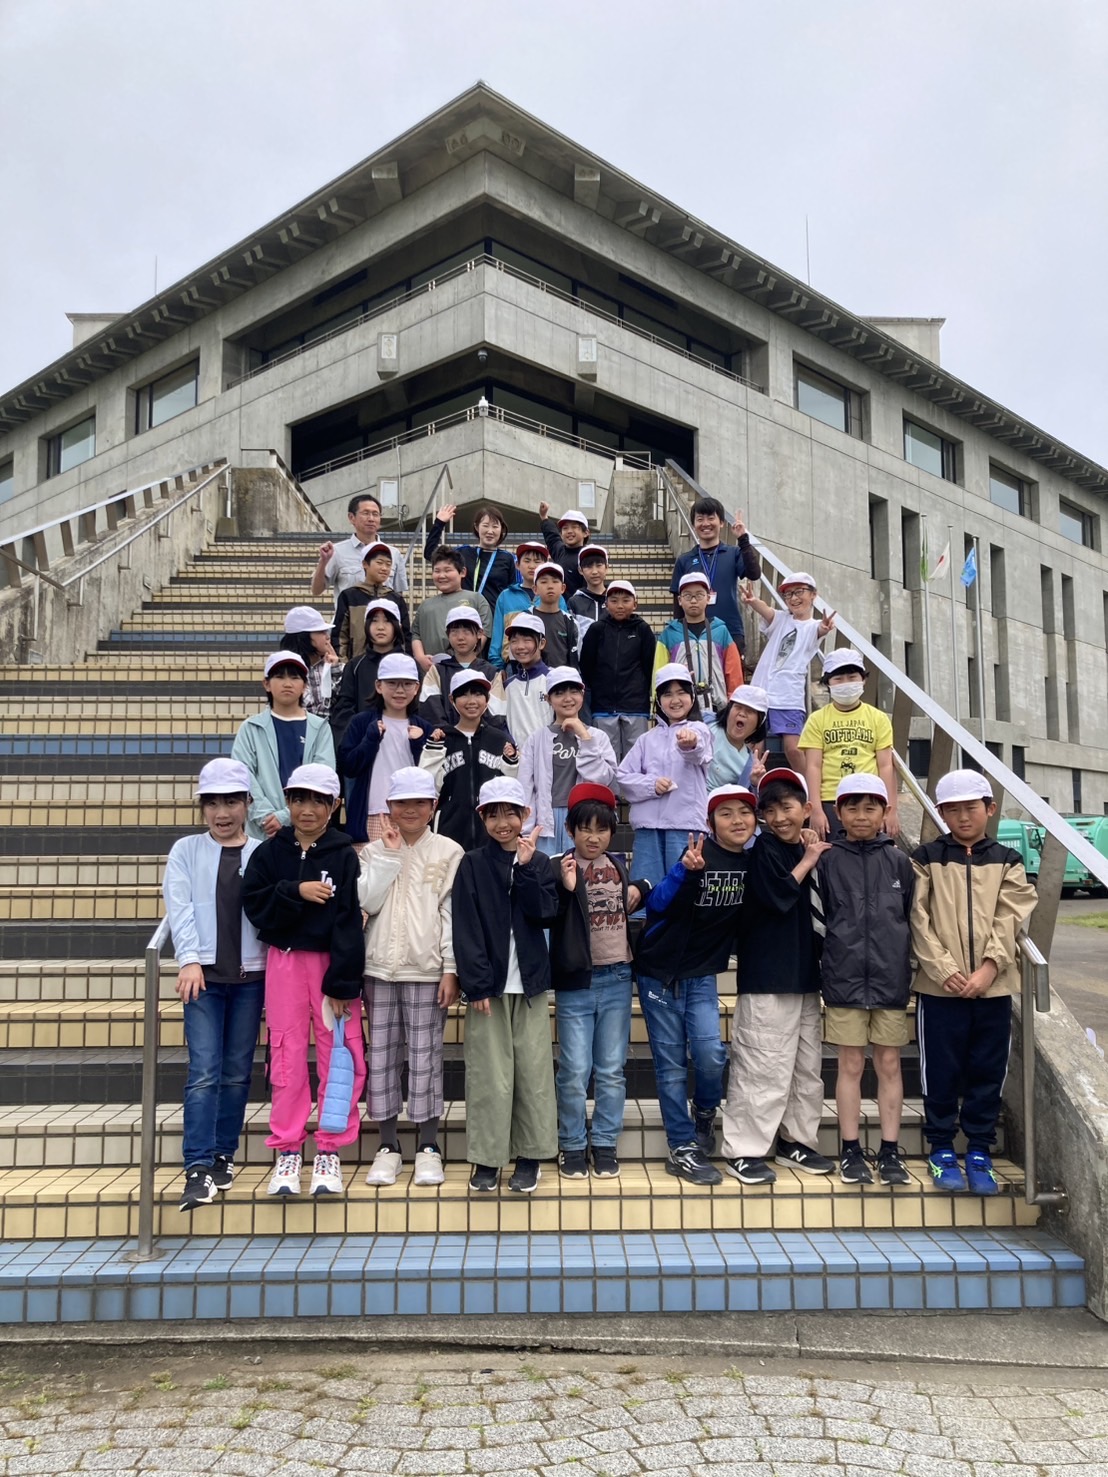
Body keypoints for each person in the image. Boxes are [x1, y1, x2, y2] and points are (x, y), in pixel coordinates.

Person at [241, 763, 366, 1198]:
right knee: (285, 1052)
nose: (307, 809)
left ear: (335, 805)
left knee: (341, 1053)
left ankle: (329, 1148)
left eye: (318, 801)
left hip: (331, 965)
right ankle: (289, 1149)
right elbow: (254, 904)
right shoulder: (269, 852)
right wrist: (295, 891)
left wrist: (342, 983)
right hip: (285, 962)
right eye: (299, 800)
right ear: (288, 802)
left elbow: (349, 919)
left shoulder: (344, 854)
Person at [910, 769, 1037, 1195]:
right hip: (939, 989)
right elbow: (917, 918)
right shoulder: (925, 858)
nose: (963, 817)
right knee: (939, 1070)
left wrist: (989, 968)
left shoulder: (1008, 860)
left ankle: (980, 1150)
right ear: (941, 813)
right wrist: (943, 969)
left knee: (989, 1068)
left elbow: (1010, 916)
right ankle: (942, 1148)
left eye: (971, 808)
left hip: (992, 987)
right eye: (953, 810)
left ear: (990, 808)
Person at [634, 784, 757, 1185]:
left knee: (710, 1055)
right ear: (709, 822)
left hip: (701, 975)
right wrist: (687, 873)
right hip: (659, 974)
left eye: (744, 812)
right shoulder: (696, 855)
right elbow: (657, 904)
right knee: (671, 1067)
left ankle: (704, 1111)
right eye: (726, 813)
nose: (737, 820)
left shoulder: (753, 861)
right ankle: (682, 1147)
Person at [720, 768, 836, 1185]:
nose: (779, 817)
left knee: (806, 1069)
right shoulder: (763, 851)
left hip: (805, 975)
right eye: (769, 810)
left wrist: (809, 852)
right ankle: (744, 1149)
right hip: (768, 976)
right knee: (761, 1066)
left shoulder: (809, 846)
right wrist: (808, 859)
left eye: (786, 807)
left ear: (806, 808)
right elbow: (777, 897)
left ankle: (796, 1141)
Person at [164, 758, 266, 1213]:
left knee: (238, 1070)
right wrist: (188, 959)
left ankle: (224, 1153)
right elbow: (180, 908)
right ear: (202, 808)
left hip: (251, 976)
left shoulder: (262, 853)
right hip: (203, 978)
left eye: (231, 802)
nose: (222, 813)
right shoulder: (186, 850)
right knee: (204, 1070)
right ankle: (198, 1164)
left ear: (247, 803)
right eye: (212, 804)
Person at [451, 776, 559, 1193]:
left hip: (530, 987)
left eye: (510, 814)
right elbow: (466, 927)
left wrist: (528, 869)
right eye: (492, 815)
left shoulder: (540, 862)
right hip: (490, 990)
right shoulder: (473, 864)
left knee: (533, 1073)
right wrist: (476, 984)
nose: (502, 823)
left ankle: (530, 1157)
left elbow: (545, 913)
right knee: (489, 1076)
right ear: (482, 819)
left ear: (525, 815)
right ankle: (488, 1158)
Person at [358, 768, 464, 1189]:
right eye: (402, 802)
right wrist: (387, 857)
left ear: (433, 806)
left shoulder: (449, 852)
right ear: (389, 807)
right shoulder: (371, 851)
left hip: (427, 970)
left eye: (420, 802)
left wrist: (450, 968)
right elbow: (365, 901)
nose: (411, 810)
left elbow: (451, 914)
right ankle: (388, 1147)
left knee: (425, 1057)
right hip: (378, 969)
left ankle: (428, 1146)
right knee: (382, 1056)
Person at [549, 783, 651, 1179]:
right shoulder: (559, 866)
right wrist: (564, 890)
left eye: (602, 829)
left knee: (611, 1068)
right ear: (570, 830)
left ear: (612, 831)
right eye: (585, 829)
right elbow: (546, 912)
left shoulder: (620, 865)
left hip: (618, 976)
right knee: (575, 1069)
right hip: (576, 981)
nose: (594, 838)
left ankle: (605, 1142)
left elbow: (640, 894)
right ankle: (572, 1143)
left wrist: (640, 887)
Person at [818, 775, 914, 1187]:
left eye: (870, 807)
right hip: (844, 979)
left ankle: (890, 1150)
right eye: (852, 807)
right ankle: (851, 1149)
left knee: (889, 1062)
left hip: (890, 978)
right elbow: (820, 918)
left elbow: (909, 917)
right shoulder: (826, 860)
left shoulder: (899, 862)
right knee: (851, 1064)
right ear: (837, 813)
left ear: (885, 812)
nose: (861, 816)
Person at [616, 663, 713, 884]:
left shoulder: (700, 729)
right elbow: (623, 776)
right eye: (667, 694)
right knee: (646, 888)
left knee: (684, 888)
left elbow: (698, 751)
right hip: (648, 828)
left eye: (681, 693)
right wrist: (651, 785)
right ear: (659, 701)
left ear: (692, 697)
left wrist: (689, 743)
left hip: (686, 826)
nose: (675, 700)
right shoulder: (646, 739)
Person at [232, 651, 336, 841]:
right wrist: (265, 816)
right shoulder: (251, 728)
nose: (287, 683)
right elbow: (243, 776)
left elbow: (324, 776)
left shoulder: (320, 727)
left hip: (308, 829)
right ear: (266, 684)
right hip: (263, 831)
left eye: (294, 678)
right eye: (280, 677)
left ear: (305, 685)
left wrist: (286, 816)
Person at [799, 648, 899, 840]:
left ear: (863, 680)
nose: (846, 683)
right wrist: (816, 809)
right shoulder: (817, 719)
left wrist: (891, 809)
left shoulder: (878, 718)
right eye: (838, 679)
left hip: (871, 797)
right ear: (827, 683)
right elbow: (813, 766)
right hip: (831, 800)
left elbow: (886, 765)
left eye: (852, 677)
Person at [336, 652, 435, 845]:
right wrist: (370, 740)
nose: (400, 690)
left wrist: (419, 744)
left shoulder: (424, 727)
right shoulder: (361, 722)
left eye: (407, 684)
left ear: (417, 688)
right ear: (379, 686)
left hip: (412, 814)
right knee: (371, 863)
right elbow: (348, 766)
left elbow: (433, 774)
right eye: (392, 683)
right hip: (372, 812)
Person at [518, 666, 617, 855]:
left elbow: (605, 780)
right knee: (548, 869)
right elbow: (525, 787)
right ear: (548, 699)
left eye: (574, 691)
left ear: (582, 694)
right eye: (559, 693)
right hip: (546, 820)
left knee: (580, 870)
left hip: (585, 820)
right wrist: (527, 829)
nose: (568, 698)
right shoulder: (536, 739)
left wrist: (584, 736)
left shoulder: (598, 736)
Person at [743, 570, 835, 769]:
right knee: (754, 745)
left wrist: (825, 627)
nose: (793, 598)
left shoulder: (813, 626)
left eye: (799, 592)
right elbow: (767, 611)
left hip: (788, 696)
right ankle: (751, 782)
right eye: (788, 594)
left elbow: (820, 630)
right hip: (761, 691)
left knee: (793, 748)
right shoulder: (782, 619)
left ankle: (807, 783)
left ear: (813, 594)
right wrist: (753, 601)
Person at [420, 671, 519, 851]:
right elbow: (427, 785)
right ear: (452, 699)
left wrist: (512, 761)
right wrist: (433, 750)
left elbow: (513, 786)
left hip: (492, 835)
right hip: (449, 833)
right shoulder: (442, 738)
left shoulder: (499, 740)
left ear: (487, 699)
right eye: (464, 694)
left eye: (478, 694)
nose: (471, 701)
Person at [669, 498, 761, 653]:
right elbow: (678, 602)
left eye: (711, 518)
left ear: (722, 523)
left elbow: (754, 574)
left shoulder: (733, 553)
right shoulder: (685, 560)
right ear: (694, 525)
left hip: (730, 631)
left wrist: (743, 539)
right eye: (700, 519)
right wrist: (678, 634)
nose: (705, 524)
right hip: (694, 635)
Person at [579, 580, 655, 762]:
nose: (620, 605)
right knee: (607, 756)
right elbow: (586, 664)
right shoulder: (597, 629)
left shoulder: (643, 629)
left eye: (626, 600)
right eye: (614, 601)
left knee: (636, 757)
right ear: (606, 604)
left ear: (635, 604)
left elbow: (649, 665)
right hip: (603, 705)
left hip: (635, 705)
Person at [655, 570, 743, 725]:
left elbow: (733, 671)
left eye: (699, 595)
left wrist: (735, 701)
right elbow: (659, 672)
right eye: (688, 596)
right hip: (680, 708)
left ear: (708, 598)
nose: (693, 600)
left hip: (717, 707)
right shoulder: (669, 633)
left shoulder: (721, 631)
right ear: (680, 600)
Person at [311, 492, 408, 602]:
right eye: (365, 513)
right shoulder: (337, 551)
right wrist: (323, 561)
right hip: (349, 613)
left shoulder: (394, 554)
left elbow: (398, 596)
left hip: (382, 613)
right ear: (351, 517)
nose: (371, 518)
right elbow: (316, 590)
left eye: (375, 514)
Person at [489, 541, 568, 670]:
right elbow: (498, 635)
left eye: (537, 561)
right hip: (514, 666)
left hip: (552, 665)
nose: (532, 566)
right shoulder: (506, 596)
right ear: (517, 565)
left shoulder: (557, 597)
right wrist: (497, 667)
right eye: (527, 561)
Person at [411, 547, 492, 671]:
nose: (442, 575)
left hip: (468, 669)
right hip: (432, 670)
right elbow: (416, 635)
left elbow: (485, 631)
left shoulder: (476, 599)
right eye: (437, 571)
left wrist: (468, 657)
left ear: (462, 572)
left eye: (447, 570)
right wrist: (421, 658)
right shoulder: (425, 606)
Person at [417, 606, 499, 729]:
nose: (460, 637)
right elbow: (430, 708)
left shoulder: (492, 673)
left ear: (479, 633)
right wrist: (448, 733)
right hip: (445, 737)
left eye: (466, 631)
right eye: (454, 632)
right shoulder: (438, 670)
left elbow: (497, 713)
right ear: (448, 634)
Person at [423, 502, 517, 607]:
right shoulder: (464, 552)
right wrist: (439, 523)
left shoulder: (508, 558)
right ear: (477, 527)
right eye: (485, 526)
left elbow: (514, 592)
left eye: (495, 526)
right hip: (464, 613)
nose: (490, 531)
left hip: (494, 615)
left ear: (501, 529)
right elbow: (429, 553)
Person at [331, 542, 412, 661]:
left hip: (391, 664)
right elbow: (340, 635)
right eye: (379, 563)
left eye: (388, 564)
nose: (384, 568)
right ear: (365, 564)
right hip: (357, 663)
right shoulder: (349, 596)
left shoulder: (396, 599)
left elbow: (405, 636)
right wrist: (343, 664)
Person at [488, 612, 551, 746]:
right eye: (514, 641)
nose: (520, 646)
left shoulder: (554, 680)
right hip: (516, 756)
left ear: (542, 643)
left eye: (527, 640)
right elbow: (499, 724)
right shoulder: (506, 686)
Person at [280, 607, 341, 720]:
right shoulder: (282, 671)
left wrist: (335, 671)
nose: (328, 637)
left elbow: (343, 705)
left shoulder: (335, 666)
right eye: (321, 632)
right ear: (304, 637)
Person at [708, 684, 769, 790]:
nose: (742, 714)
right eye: (738, 707)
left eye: (750, 711)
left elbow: (744, 796)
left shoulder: (749, 766)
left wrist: (755, 784)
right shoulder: (706, 721)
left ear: (758, 724)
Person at [530, 561, 579, 668]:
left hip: (562, 677)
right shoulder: (527, 618)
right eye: (544, 582)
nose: (550, 586)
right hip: (533, 676)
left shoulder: (570, 622)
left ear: (563, 588)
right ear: (535, 589)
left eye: (555, 581)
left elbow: (576, 655)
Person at [538, 504, 590, 595]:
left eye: (574, 527)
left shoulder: (589, 556)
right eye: (565, 528)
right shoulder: (560, 551)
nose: (569, 531)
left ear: (586, 533)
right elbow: (552, 536)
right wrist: (544, 517)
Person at [568, 543, 610, 641]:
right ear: (580, 570)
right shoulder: (574, 602)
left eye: (599, 565)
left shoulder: (614, 599)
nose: (594, 571)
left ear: (607, 568)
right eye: (588, 566)